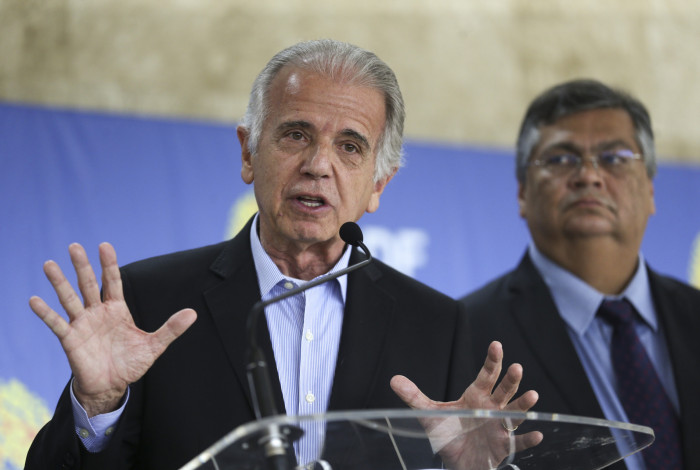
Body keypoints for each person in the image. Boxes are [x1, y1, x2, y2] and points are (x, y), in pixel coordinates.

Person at [25, 39, 538, 470]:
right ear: (248, 152)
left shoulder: (436, 326)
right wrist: (97, 406)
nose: (318, 165)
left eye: (350, 147)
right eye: (296, 134)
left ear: (379, 184)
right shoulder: (151, 300)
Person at [459, 79, 700, 470]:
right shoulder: (463, 334)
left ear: (651, 190)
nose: (589, 175)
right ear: (522, 193)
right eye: (560, 159)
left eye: (614, 158)